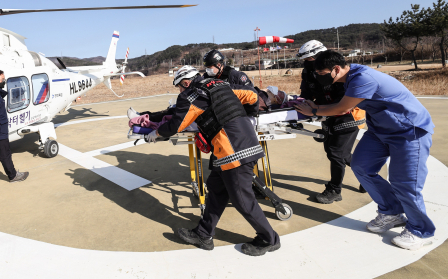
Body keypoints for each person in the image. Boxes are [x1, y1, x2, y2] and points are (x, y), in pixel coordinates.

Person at [296, 51, 435, 250]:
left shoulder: (363, 78)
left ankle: (421, 231)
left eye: (322, 73)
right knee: (361, 166)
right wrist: (314, 104)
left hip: (409, 131)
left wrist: (315, 111)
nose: (319, 77)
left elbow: (343, 108)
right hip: (380, 130)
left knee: (405, 184)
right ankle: (391, 212)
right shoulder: (348, 76)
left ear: (336, 69)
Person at [145, 66, 280, 256]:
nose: (180, 92)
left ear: (185, 83)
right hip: (237, 143)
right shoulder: (221, 84)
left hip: (234, 150)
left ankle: (269, 239)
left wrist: (156, 133)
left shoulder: (190, 94)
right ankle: (203, 233)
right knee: (216, 188)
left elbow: (178, 123)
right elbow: (252, 96)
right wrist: (247, 116)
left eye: (179, 87)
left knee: (242, 199)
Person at [296, 40, 366, 204]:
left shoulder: (339, 71)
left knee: (336, 153)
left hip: (348, 116)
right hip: (326, 113)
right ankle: (368, 176)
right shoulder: (308, 72)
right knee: (338, 153)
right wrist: (299, 103)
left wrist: (316, 109)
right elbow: (306, 92)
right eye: (306, 61)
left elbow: (344, 104)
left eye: (310, 60)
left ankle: (334, 190)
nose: (309, 63)